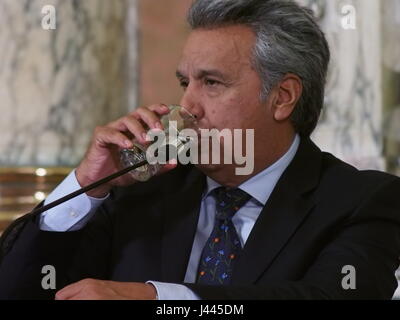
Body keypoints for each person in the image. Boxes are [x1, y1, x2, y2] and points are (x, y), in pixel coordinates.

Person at [1, 0, 400, 300]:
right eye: (184, 83)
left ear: (283, 97)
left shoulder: (362, 201)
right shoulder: (137, 193)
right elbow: (19, 290)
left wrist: (160, 299)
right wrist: (88, 185)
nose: (188, 106)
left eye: (211, 82)